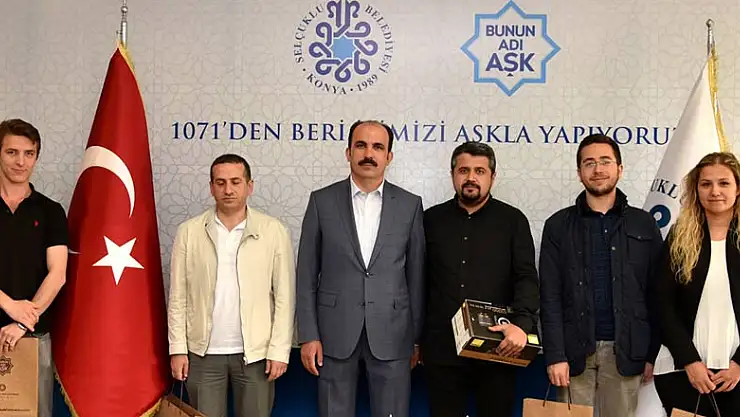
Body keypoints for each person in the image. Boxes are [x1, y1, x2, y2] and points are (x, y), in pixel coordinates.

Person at [296, 120, 425, 417]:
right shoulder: (321, 201)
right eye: (361, 145)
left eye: (378, 147)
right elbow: (306, 275)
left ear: (389, 156)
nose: (369, 154)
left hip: (394, 333)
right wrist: (309, 335)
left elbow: (416, 277)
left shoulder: (409, 205)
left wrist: (416, 339)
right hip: (333, 333)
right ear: (348, 152)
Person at [539, 134, 663, 417]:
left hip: (628, 351)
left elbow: (657, 295)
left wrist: (652, 353)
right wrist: (555, 355)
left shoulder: (643, 223)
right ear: (579, 172)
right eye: (589, 163)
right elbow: (550, 296)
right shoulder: (558, 225)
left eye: (605, 161)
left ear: (620, 168)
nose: (598, 169)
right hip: (572, 354)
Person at [167, 154, 295, 417]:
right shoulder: (189, 232)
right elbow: (178, 297)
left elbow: (285, 297)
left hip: (257, 355)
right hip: (202, 354)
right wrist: (177, 349)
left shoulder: (273, 231)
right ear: (211, 187)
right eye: (221, 182)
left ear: (250, 186)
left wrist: (279, 350)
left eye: (236, 182)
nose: (228, 190)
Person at [421, 142, 539, 417]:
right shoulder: (430, 220)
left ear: (492, 177)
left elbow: (526, 278)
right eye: (464, 170)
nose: (471, 177)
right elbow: (418, 282)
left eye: (480, 171)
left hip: (498, 350)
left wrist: (521, 326)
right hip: (442, 351)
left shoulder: (513, 221)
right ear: (453, 175)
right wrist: (415, 341)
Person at [654, 152, 740, 415]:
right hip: (683, 372)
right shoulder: (679, 238)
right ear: (696, 189)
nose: (715, 191)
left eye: (724, 183)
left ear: (738, 189)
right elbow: (662, 305)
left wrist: (739, 364)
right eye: (706, 184)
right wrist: (689, 361)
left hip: (736, 375)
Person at [0, 118, 68, 417]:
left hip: (32, 335)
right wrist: (9, 305)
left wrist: (22, 322)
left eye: (29, 154)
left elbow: (58, 273)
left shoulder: (51, 211)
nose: (21, 162)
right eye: (12, 152)